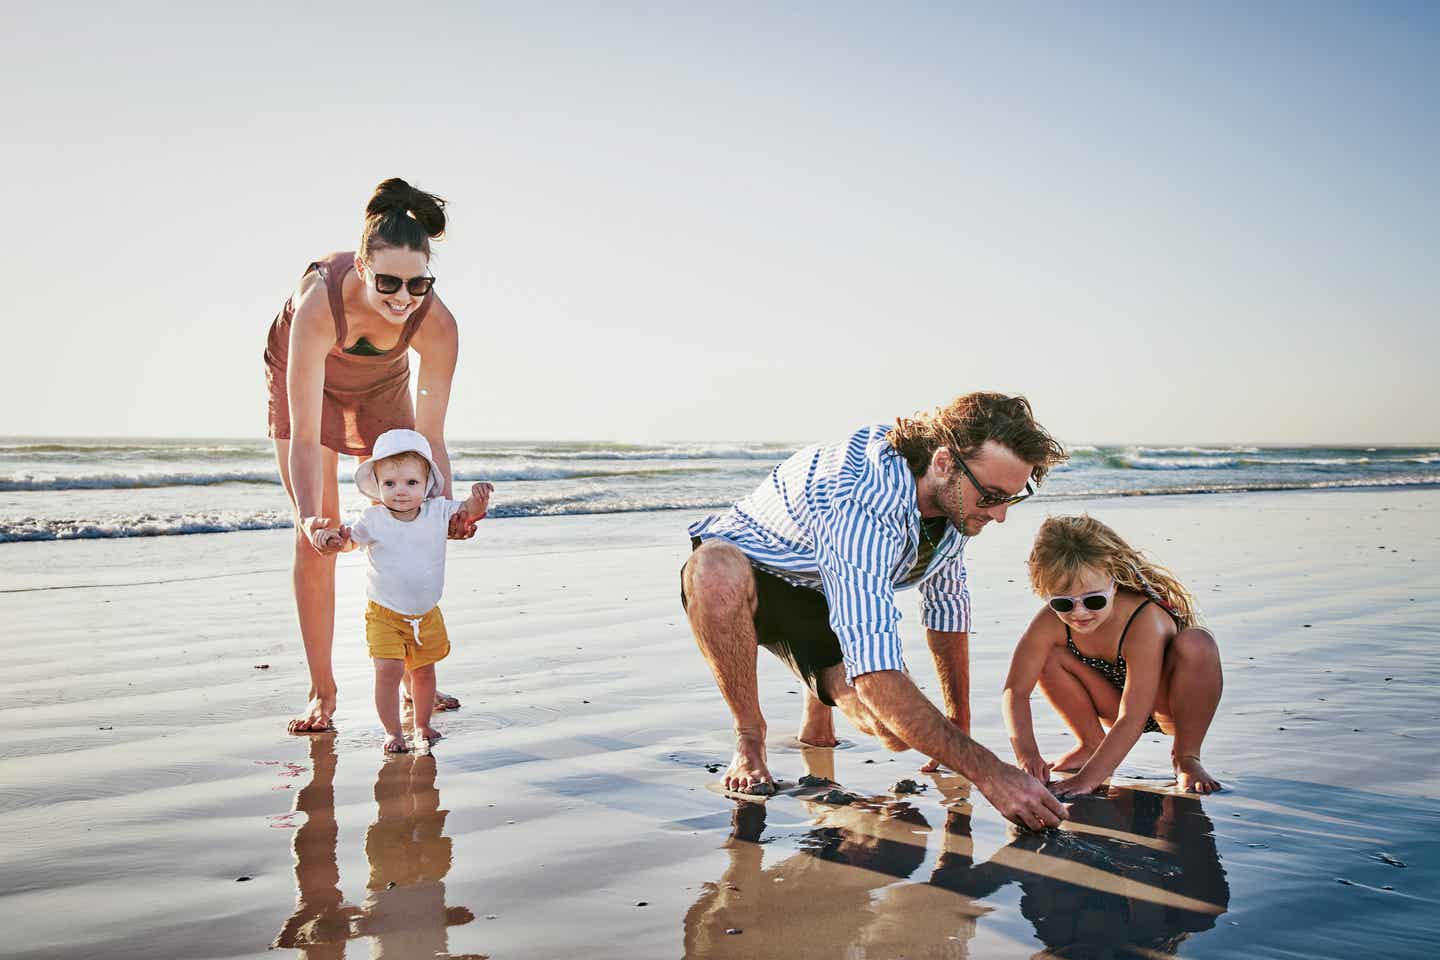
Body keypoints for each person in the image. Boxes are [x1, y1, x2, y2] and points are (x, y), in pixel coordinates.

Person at [682, 392, 1071, 829]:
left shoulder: (958, 502)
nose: (999, 515)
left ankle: (818, 716)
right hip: (751, 567)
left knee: (890, 731)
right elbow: (876, 674)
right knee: (714, 570)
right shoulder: (862, 501)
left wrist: (958, 726)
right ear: (943, 463)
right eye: (992, 496)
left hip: (823, 588)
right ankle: (749, 738)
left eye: (1011, 499)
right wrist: (989, 773)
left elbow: (946, 606)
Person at [264, 177, 472, 734]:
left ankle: (412, 674)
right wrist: (310, 516)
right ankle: (322, 692)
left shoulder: (437, 325)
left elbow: (429, 442)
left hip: (382, 382)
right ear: (361, 267)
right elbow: (308, 436)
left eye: (417, 284)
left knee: (409, 516)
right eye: (388, 282)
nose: (403, 298)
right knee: (320, 534)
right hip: (305, 379)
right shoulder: (319, 305)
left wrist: (447, 511)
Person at [1002, 515, 1223, 795]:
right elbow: (1015, 690)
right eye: (1062, 602)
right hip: (1113, 704)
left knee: (1198, 643)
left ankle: (1187, 757)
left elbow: (1133, 716)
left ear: (1114, 583)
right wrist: (1028, 755)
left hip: (1166, 706)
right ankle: (1090, 743)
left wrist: (1087, 780)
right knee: (1046, 654)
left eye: (1094, 600)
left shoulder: (1144, 619)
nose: (1079, 613)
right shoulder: (1050, 622)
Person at [324, 429, 492, 752]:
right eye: (390, 484)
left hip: (426, 614)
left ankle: (423, 724)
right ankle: (392, 732)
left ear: (426, 484)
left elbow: (466, 511)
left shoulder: (438, 512)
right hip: (384, 614)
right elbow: (349, 542)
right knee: (388, 671)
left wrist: (478, 499)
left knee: (425, 674)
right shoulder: (374, 518)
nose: (400, 491)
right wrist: (334, 541)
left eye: (411, 483)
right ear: (377, 485)